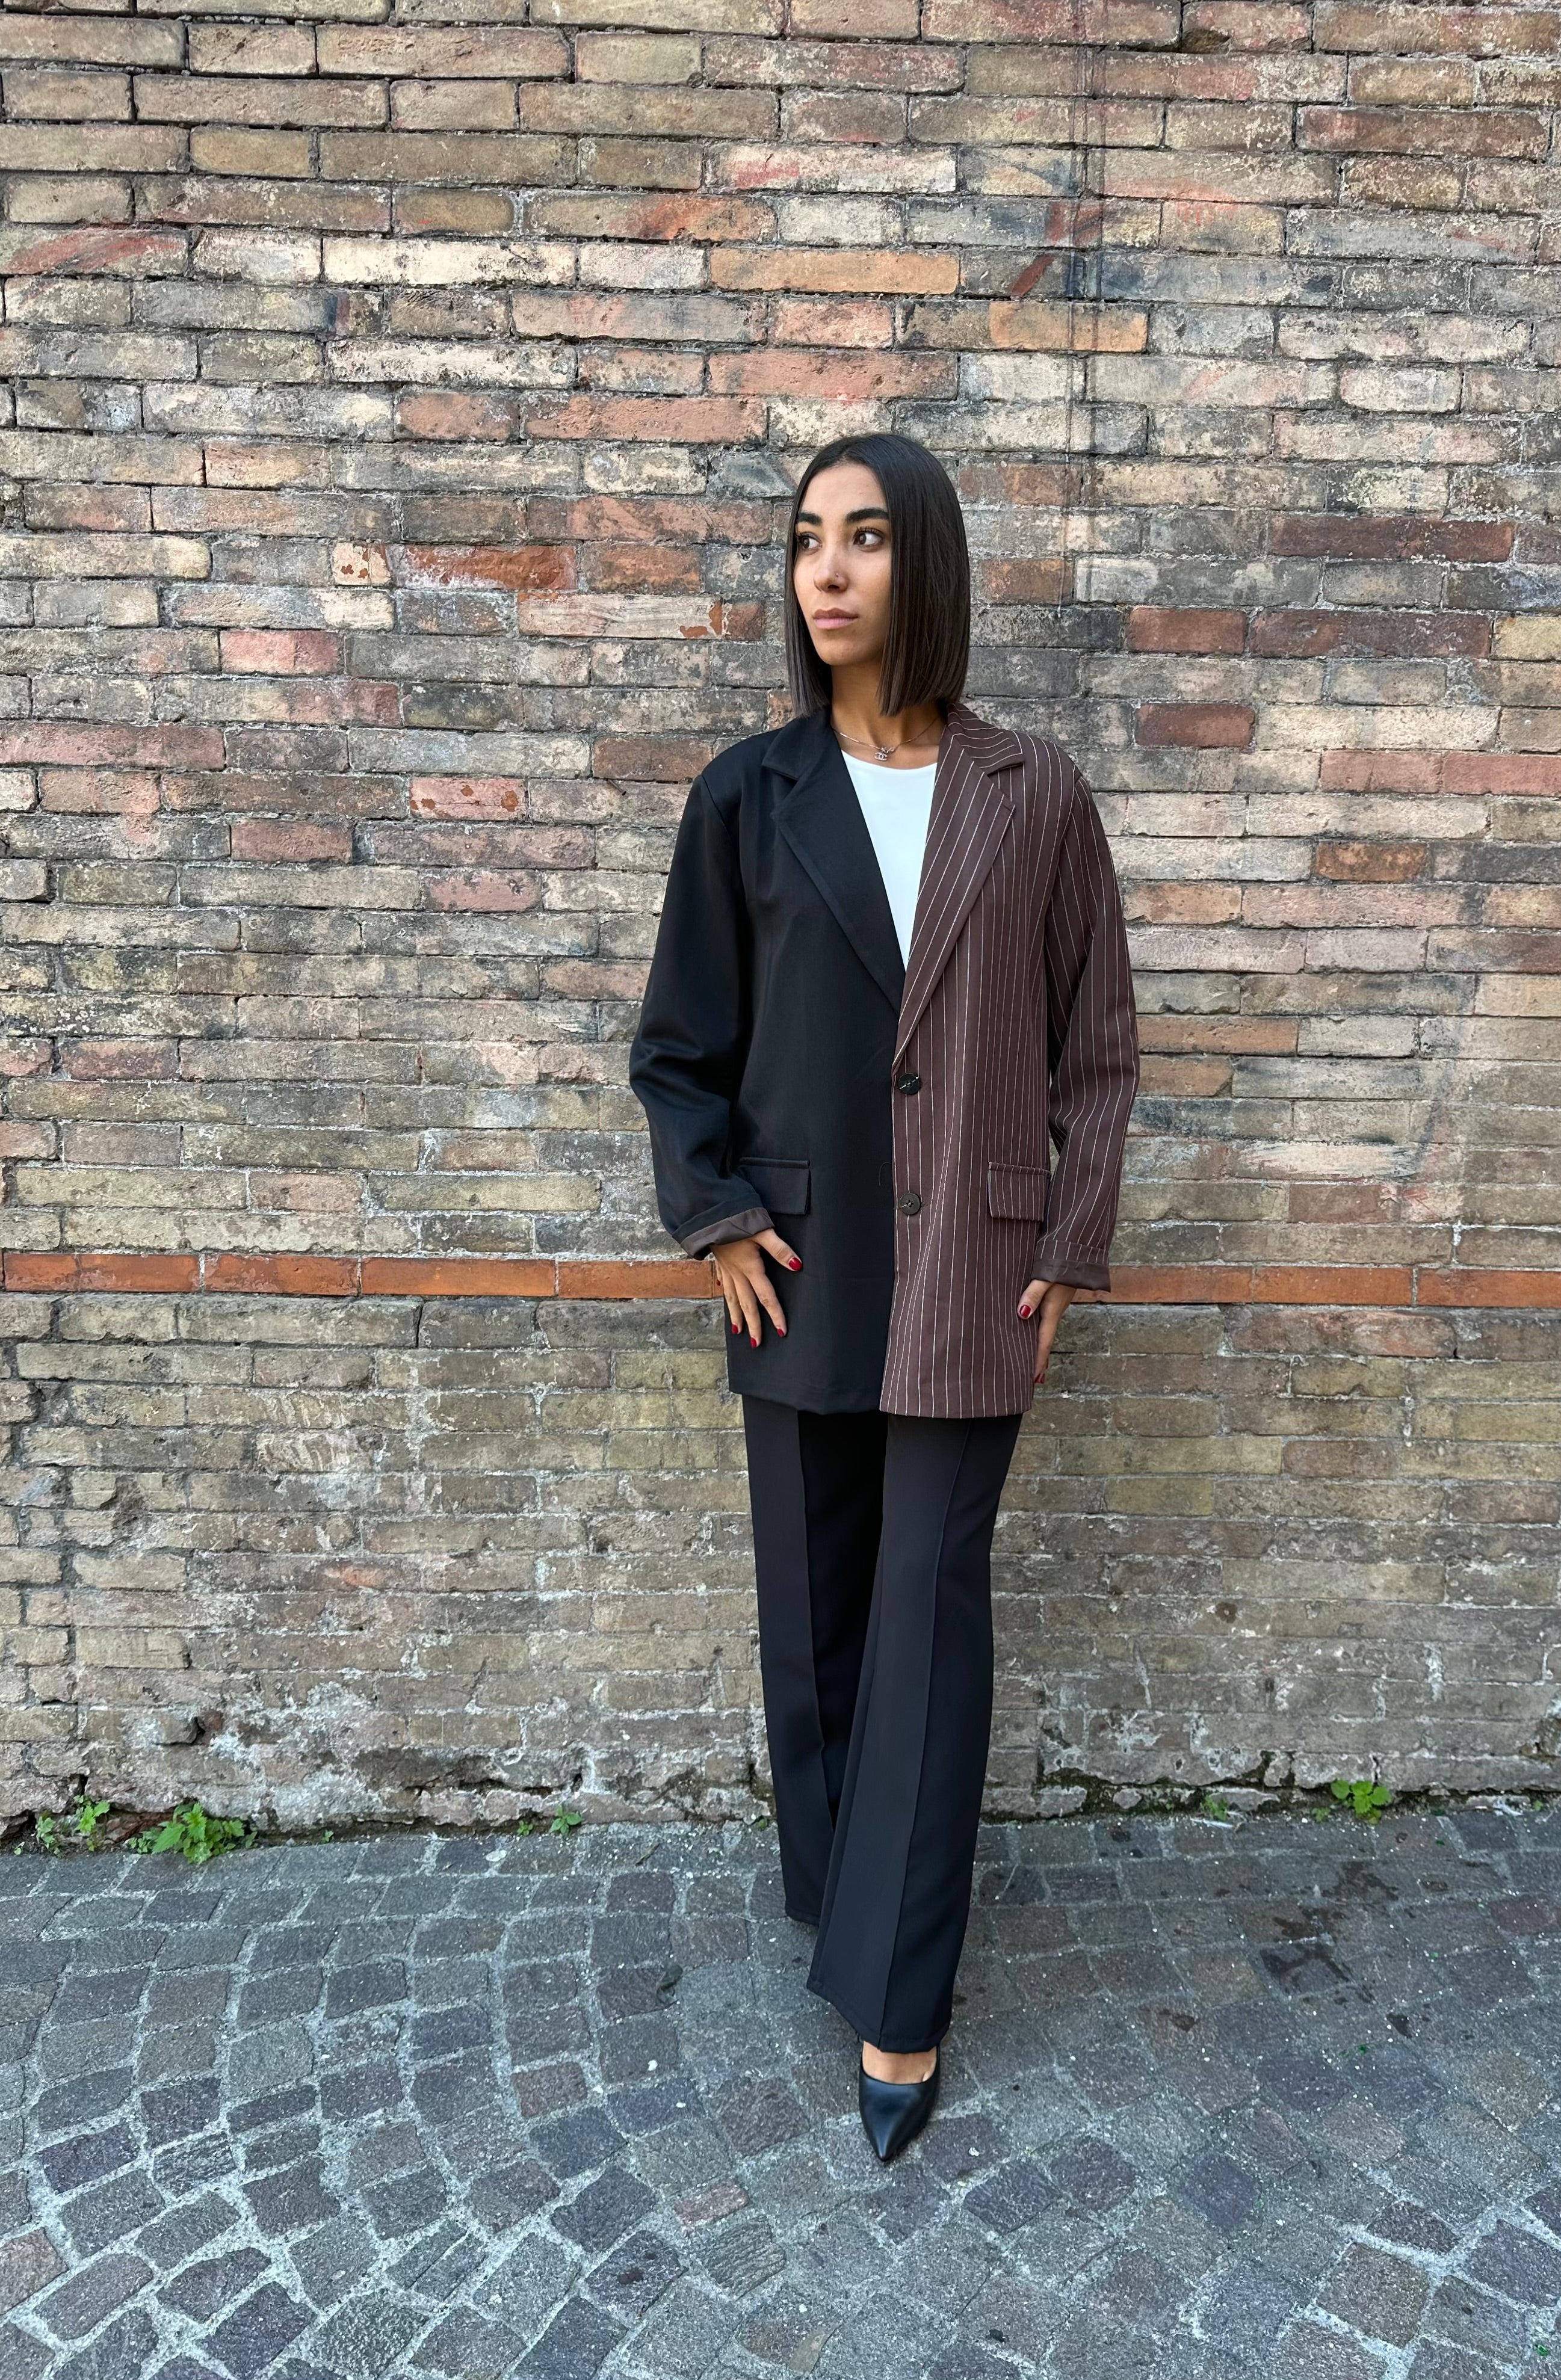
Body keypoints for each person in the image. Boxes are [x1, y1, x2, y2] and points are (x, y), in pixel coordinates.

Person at [628, 431, 1139, 2162]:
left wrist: (1070, 1237)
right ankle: (843, 1897)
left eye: (863, 537)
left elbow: (1097, 1049)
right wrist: (712, 1216)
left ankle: (902, 2001)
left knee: (926, 1615)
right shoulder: (748, 796)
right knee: (819, 1620)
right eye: (804, 541)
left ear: (927, 561)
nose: (827, 571)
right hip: (798, 1268)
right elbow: (678, 1049)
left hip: (978, 1271)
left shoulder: (1034, 793)